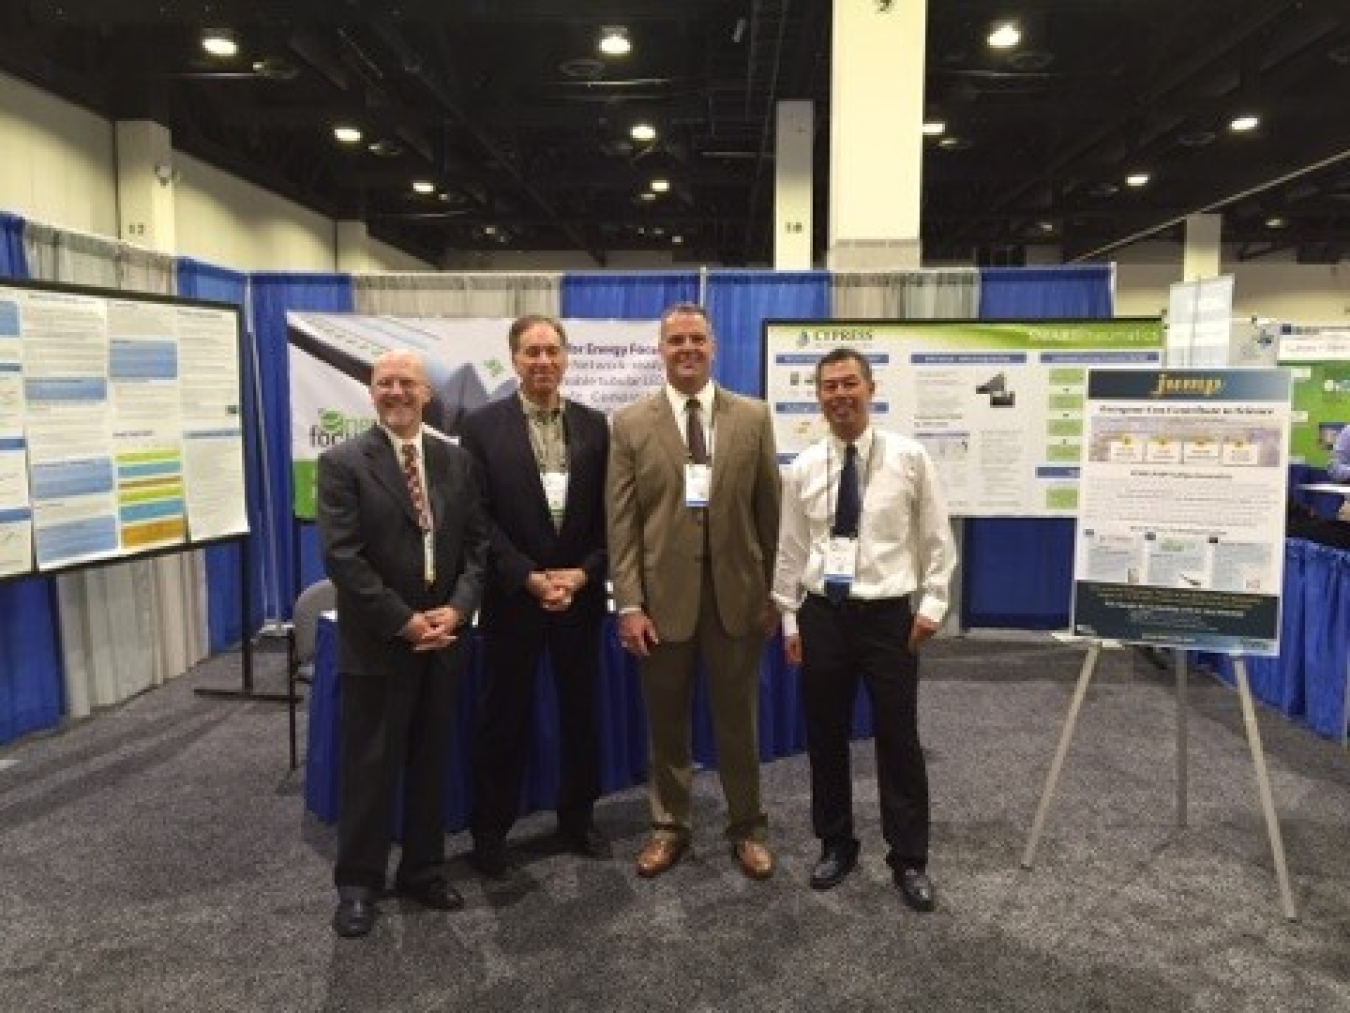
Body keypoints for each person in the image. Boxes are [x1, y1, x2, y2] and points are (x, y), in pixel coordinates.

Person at [771, 347, 956, 911]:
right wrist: (787, 616)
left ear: (871, 389)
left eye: (850, 383)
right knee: (825, 736)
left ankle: (909, 858)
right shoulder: (803, 466)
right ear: (818, 396)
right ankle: (836, 843)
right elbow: (791, 547)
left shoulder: (908, 457)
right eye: (829, 386)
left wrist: (933, 603)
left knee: (898, 738)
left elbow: (935, 537)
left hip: (888, 616)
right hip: (823, 614)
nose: (839, 394)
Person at [317, 349, 488, 938]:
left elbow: (475, 549)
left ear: (425, 394)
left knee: (430, 763)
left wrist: (457, 611)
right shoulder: (343, 462)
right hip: (380, 644)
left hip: (443, 640)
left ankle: (422, 869)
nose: (396, 392)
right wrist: (404, 621)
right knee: (370, 769)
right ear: (371, 392)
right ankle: (359, 883)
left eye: (407, 383)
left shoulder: (455, 460)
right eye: (385, 383)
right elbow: (343, 557)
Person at [607, 302, 781, 880]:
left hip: (738, 598)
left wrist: (774, 592)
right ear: (661, 349)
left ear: (714, 347)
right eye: (676, 340)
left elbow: (770, 513)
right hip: (662, 603)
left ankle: (748, 828)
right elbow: (622, 523)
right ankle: (669, 827)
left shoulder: (753, 417)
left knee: (738, 721)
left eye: (696, 340)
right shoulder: (630, 423)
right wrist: (629, 602)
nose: (687, 349)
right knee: (667, 724)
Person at [460, 315, 611, 876]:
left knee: (580, 714)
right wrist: (527, 575)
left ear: (566, 357)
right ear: (515, 359)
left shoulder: (597, 426)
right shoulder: (481, 427)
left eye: (552, 350)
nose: (543, 361)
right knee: (503, 718)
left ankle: (578, 819)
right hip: (513, 599)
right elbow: (477, 518)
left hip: (580, 599)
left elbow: (608, 517)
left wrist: (583, 574)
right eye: (531, 352)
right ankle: (491, 832)